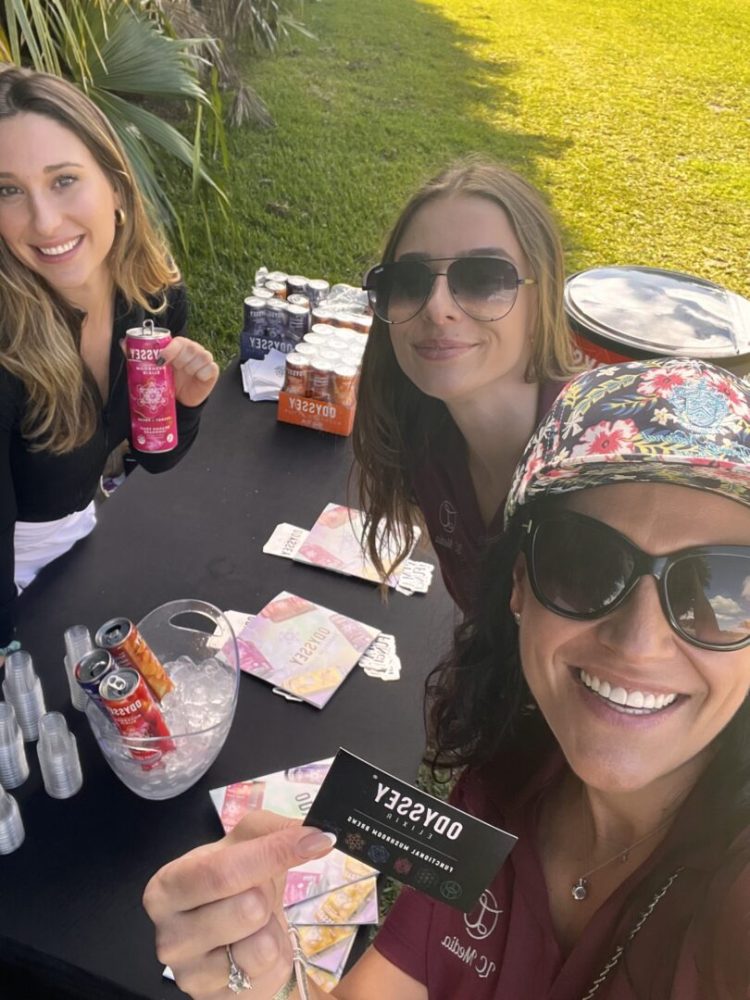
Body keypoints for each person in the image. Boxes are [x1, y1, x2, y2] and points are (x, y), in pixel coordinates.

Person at [143, 357, 749, 999]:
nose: (639, 641)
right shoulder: (502, 783)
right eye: (584, 562)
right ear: (518, 585)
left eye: (723, 588)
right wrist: (261, 986)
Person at [0, 66, 219, 658]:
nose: (43, 222)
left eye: (64, 180)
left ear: (116, 187)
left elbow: (155, 457)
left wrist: (185, 406)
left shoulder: (153, 305)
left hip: (81, 541)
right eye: (8, 190)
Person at [353, 157, 580, 612]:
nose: (437, 308)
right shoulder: (423, 436)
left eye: (483, 279)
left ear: (543, 299)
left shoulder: (591, 473)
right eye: (410, 281)